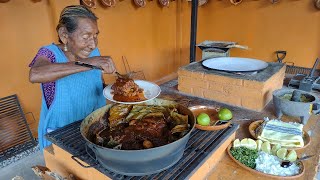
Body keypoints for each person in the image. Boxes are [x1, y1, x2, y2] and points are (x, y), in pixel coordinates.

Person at [29, 5, 116, 150]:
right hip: (61, 135)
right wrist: (87, 63)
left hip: (93, 127)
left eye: (95, 36)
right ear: (64, 35)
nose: (93, 44)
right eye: (86, 36)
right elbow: (35, 74)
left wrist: (117, 91)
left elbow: (96, 84)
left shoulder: (94, 52)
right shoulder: (50, 53)